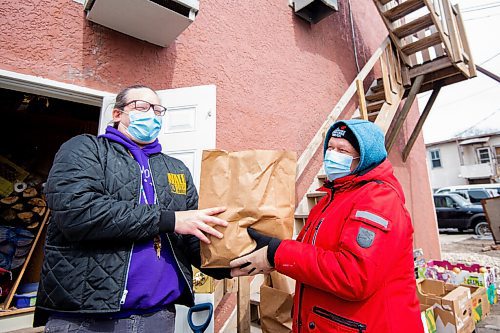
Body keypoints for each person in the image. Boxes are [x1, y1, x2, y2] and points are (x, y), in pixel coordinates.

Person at [34, 85, 231, 332]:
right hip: (88, 317)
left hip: (159, 316)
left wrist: (229, 263)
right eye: (141, 106)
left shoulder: (176, 168)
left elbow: (191, 236)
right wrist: (169, 219)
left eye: (158, 109)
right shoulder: (86, 149)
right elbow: (77, 213)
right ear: (117, 114)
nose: (152, 113)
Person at [230, 119, 424, 332]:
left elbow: (354, 276)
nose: (332, 155)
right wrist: (271, 255)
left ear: (365, 157)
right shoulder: (330, 199)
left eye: (342, 150)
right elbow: (312, 254)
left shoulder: (379, 200)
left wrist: (277, 252)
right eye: (330, 148)